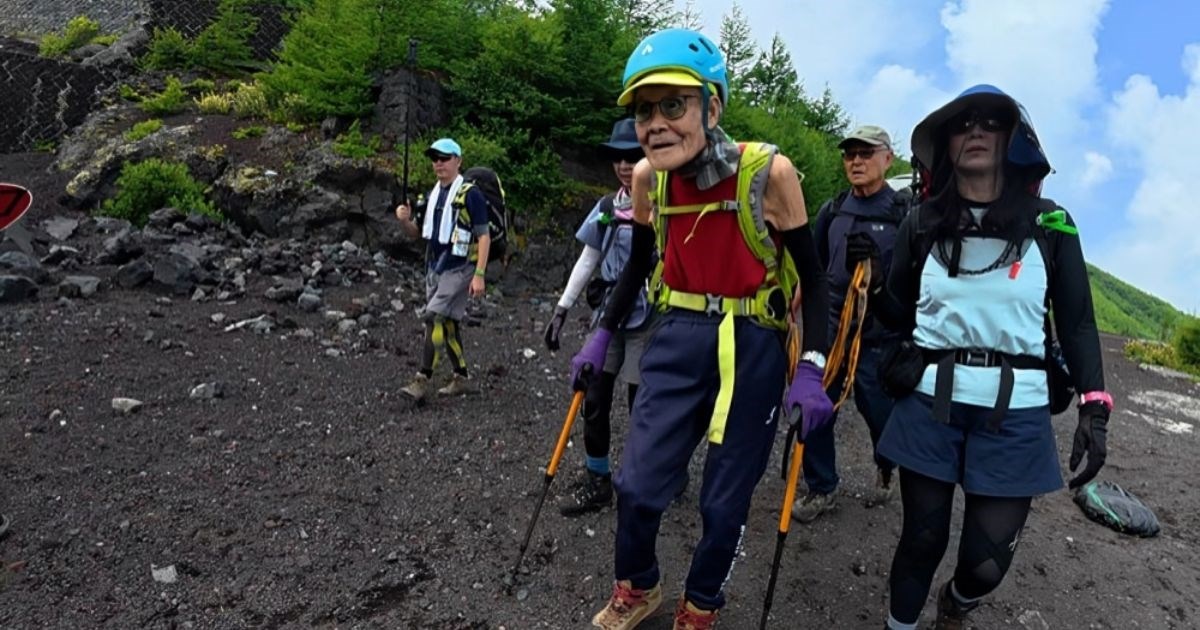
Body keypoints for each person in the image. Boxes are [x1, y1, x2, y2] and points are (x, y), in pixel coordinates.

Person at [571, 28, 834, 630]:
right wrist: (602, 335)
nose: (655, 123)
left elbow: (815, 283)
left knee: (724, 502)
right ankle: (639, 588)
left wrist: (813, 367)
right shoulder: (646, 180)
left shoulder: (770, 174)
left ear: (712, 107)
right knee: (636, 484)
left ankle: (701, 606)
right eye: (643, 109)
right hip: (677, 332)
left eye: (673, 105)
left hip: (752, 346)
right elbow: (639, 264)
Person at [873, 85, 1110, 630]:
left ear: (1011, 137)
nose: (976, 131)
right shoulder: (922, 223)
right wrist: (875, 283)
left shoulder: (1052, 224)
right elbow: (896, 315)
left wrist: (1094, 406)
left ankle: (957, 602)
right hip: (930, 401)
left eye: (990, 121)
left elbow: (1076, 321)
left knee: (986, 563)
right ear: (946, 141)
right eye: (963, 123)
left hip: (1018, 411)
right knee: (921, 539)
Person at [792, 125, 906, 523]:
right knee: (817, 408)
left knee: (881, 415)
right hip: (830, 333)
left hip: (878, 337)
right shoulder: (834, 208)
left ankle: (886, 465)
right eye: (850, 154)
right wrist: (796, 300)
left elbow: (911, 280)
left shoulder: (902, 213)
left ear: (887, 159)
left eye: (866, 153)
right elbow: (814, 264)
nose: (856, 161)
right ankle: (822, 487)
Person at [543, 118, 651, 516]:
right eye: (619, 157)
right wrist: (562, 309)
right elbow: (588, 259)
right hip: (608, 315)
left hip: (648, 317)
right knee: (594, 396)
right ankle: (598, 479)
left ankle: (648, 479)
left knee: (642, 404)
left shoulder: (662, 205)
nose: (625, 165)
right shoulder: (607, 207)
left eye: (633, 156)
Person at [394, 138, 491, 400]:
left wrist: (479, 274)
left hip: (460, 267)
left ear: (458, 161)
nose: (439, 163)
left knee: (433, 317)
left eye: (445, 158)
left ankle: (421, 380)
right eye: (435, 158)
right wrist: (404, 221)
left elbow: (484, 236)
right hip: (435, 267)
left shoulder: (471, 195)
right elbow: (416, 234)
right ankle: (462, 377)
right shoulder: (430, 196)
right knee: (447, 322)